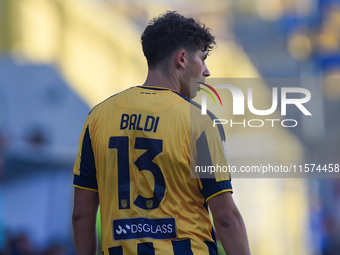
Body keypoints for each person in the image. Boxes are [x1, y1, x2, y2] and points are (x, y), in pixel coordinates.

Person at [72, 11, 251, 255]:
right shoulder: (199, 122)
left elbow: (81, 214)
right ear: (182, 59)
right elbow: (226, 217)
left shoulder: (98, 117)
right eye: (203, 58)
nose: (207, 71)